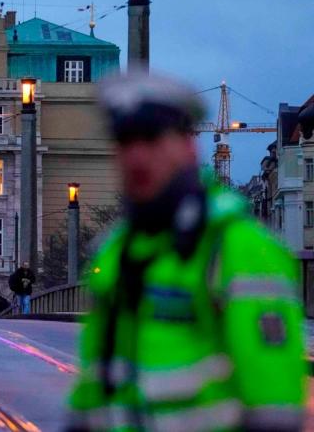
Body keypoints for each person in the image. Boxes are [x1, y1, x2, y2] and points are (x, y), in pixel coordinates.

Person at [67, 74, 306, 431]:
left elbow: (274, 408)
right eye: (125, 141)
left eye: (151, 138)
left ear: (187, 146)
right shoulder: (115, 251)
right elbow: (96, 385)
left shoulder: (239, 247)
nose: (136, 156)